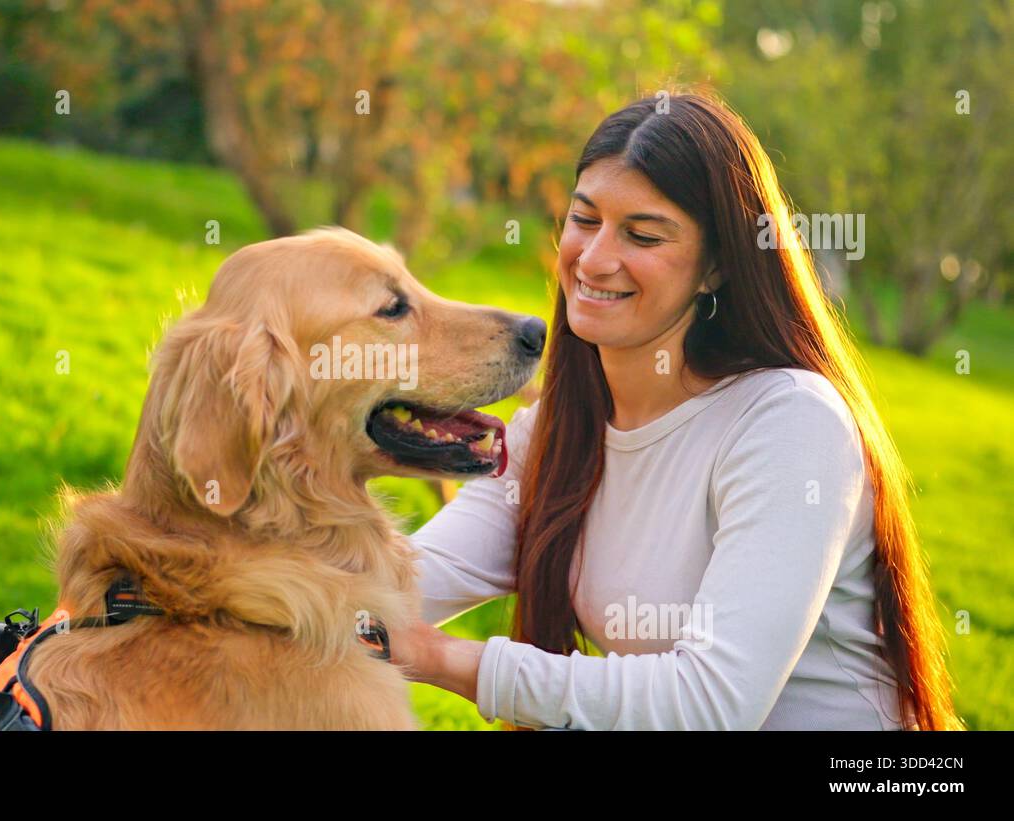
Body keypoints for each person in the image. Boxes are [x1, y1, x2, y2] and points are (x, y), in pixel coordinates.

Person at [387, 92, 962, 731]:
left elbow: (710, 704)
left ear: (716, 265)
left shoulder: (789, 425)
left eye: (643, 235)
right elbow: (398, 590)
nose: (596, 258)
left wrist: (442, 658)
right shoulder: (558, 429)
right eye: (584, 220)